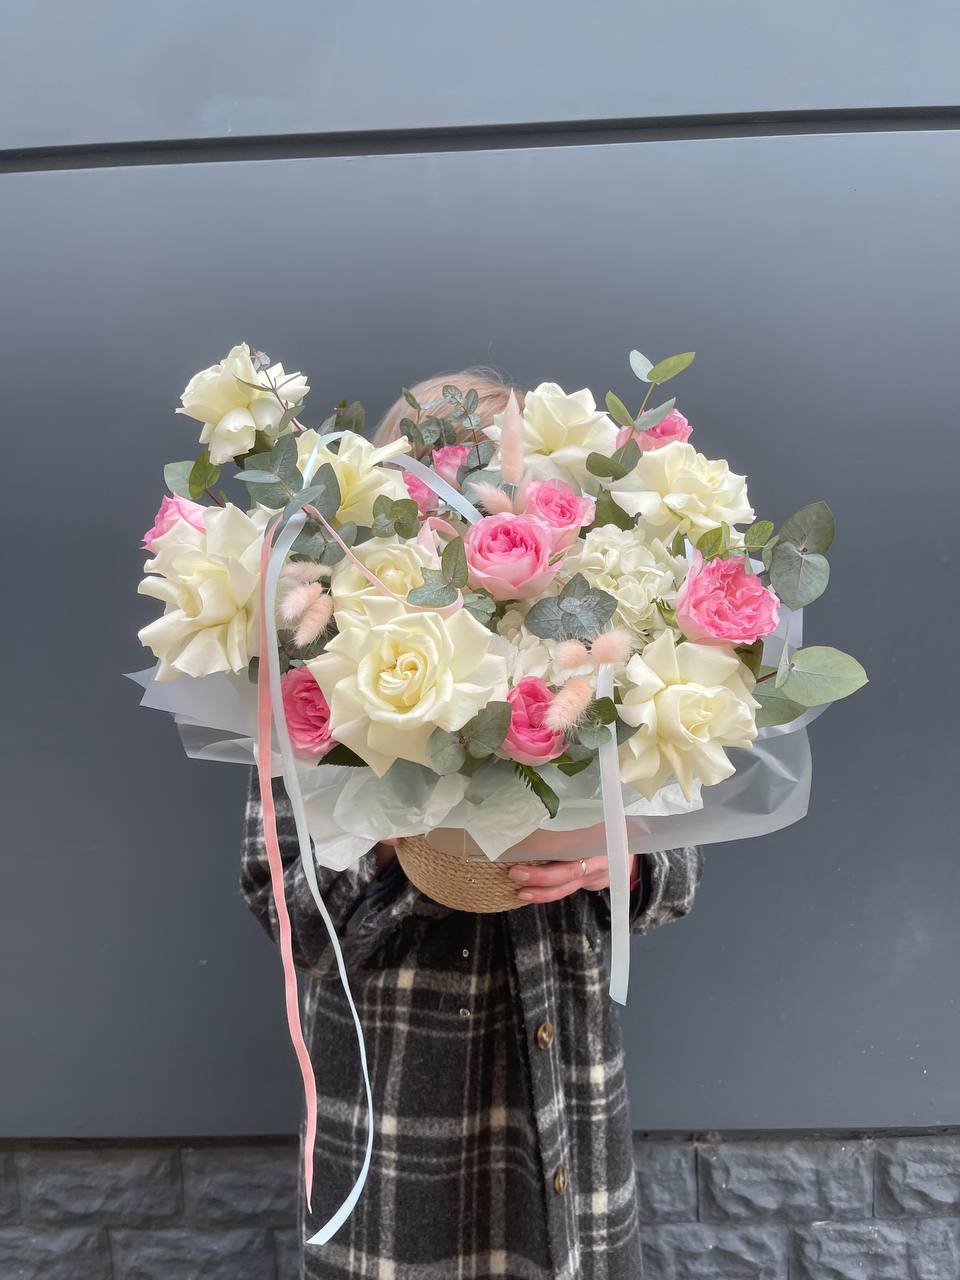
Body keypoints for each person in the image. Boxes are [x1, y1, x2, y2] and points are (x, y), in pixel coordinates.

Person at [240, 368, 702, 1280]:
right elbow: (279, 902)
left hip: (563, 1080)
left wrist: (619, 865)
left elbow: (678, 859)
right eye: (453, 469)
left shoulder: (588, 640)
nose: (476, 492)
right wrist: (389, 822)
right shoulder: (317, 674)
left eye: (501, 469)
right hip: (399, 1098)